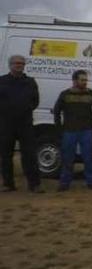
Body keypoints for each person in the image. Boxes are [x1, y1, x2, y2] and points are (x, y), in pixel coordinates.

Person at [53, 70, 92, 191]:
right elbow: (57, 111)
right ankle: (64, 183)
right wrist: (60, 128)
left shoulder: (91, 94)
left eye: (86, 80)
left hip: (86, 131)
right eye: (82, 80)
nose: (85, 82)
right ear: (75, 81)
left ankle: (91, 182)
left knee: (88, 158)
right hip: (69, 131)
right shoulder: (65, 94)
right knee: (68, 158)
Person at [0, 55, 42, 192]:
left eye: (22, 63)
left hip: (25, 123)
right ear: (10, 65)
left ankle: (34, 184)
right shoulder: (2, 81)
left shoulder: (30, 82)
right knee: (6, 155)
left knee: (29, 154)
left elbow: (35, 101)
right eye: (16, 63)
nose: (19, 65)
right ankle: (8, 183)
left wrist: (25, 109)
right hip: (6, 123)